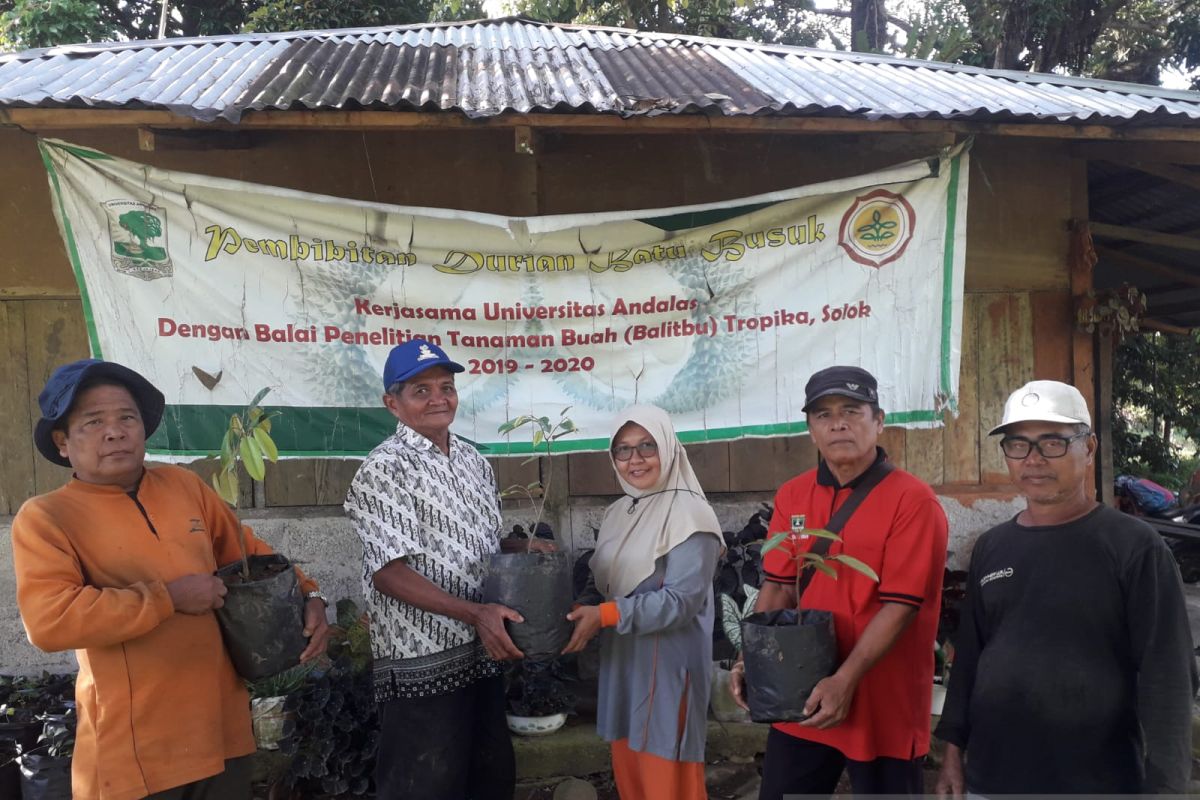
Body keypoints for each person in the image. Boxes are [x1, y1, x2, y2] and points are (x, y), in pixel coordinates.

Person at [10, 359, 330, 800]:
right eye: (94, 421)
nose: (115, 431)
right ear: (63, 442)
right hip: (136, 750)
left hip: (222, 731)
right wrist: (169, 598)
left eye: (127, 417)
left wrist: (310, 593)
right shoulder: (46, 518)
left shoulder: (184, 486)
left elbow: (251, 555)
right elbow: (51, 621)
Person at [935, 380, 1198, 796]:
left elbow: (1169, 677)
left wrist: (1165, 788)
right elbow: (970, 659)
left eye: (1053, 442)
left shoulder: (1134, 547)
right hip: (991, 779)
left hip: (1096, 782)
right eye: (1018, 444)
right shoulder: (991, 546)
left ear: (1089, 448)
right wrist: (952, 751)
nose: (1034, 459)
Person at [343, 338, 552, 800]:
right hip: (422, 661)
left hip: (481, 652)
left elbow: (474, 541)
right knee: (425, 784)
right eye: (421, 390)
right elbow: (387, 571)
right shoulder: (382, 469)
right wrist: (475, 614)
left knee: (488, 776)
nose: (438, 398)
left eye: (446, 387)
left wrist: (522, 544)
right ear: (391, 403)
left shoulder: (473, 460)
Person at [730, 365, 948, 798]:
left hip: (882, 693)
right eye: (824, 415)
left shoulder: (913, 500)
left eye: (852, 410)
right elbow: (779, 585)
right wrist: (749, 659)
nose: (839, 423)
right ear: (811, 429)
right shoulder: (793, 495)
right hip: (802, 687)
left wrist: (845, 680)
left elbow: (901, 605)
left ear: (879, 421)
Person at [563, 404, 723, 800]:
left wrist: (606, 614)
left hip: (668, 667)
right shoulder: (620, 511)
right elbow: (606, 580)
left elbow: (682, 601)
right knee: (631, 771)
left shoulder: (691, 515)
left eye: (647, 446)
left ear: (668, 448)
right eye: (623, 449)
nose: (635, 459)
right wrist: (579, 610)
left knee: (667, 779)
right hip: (624, 664)